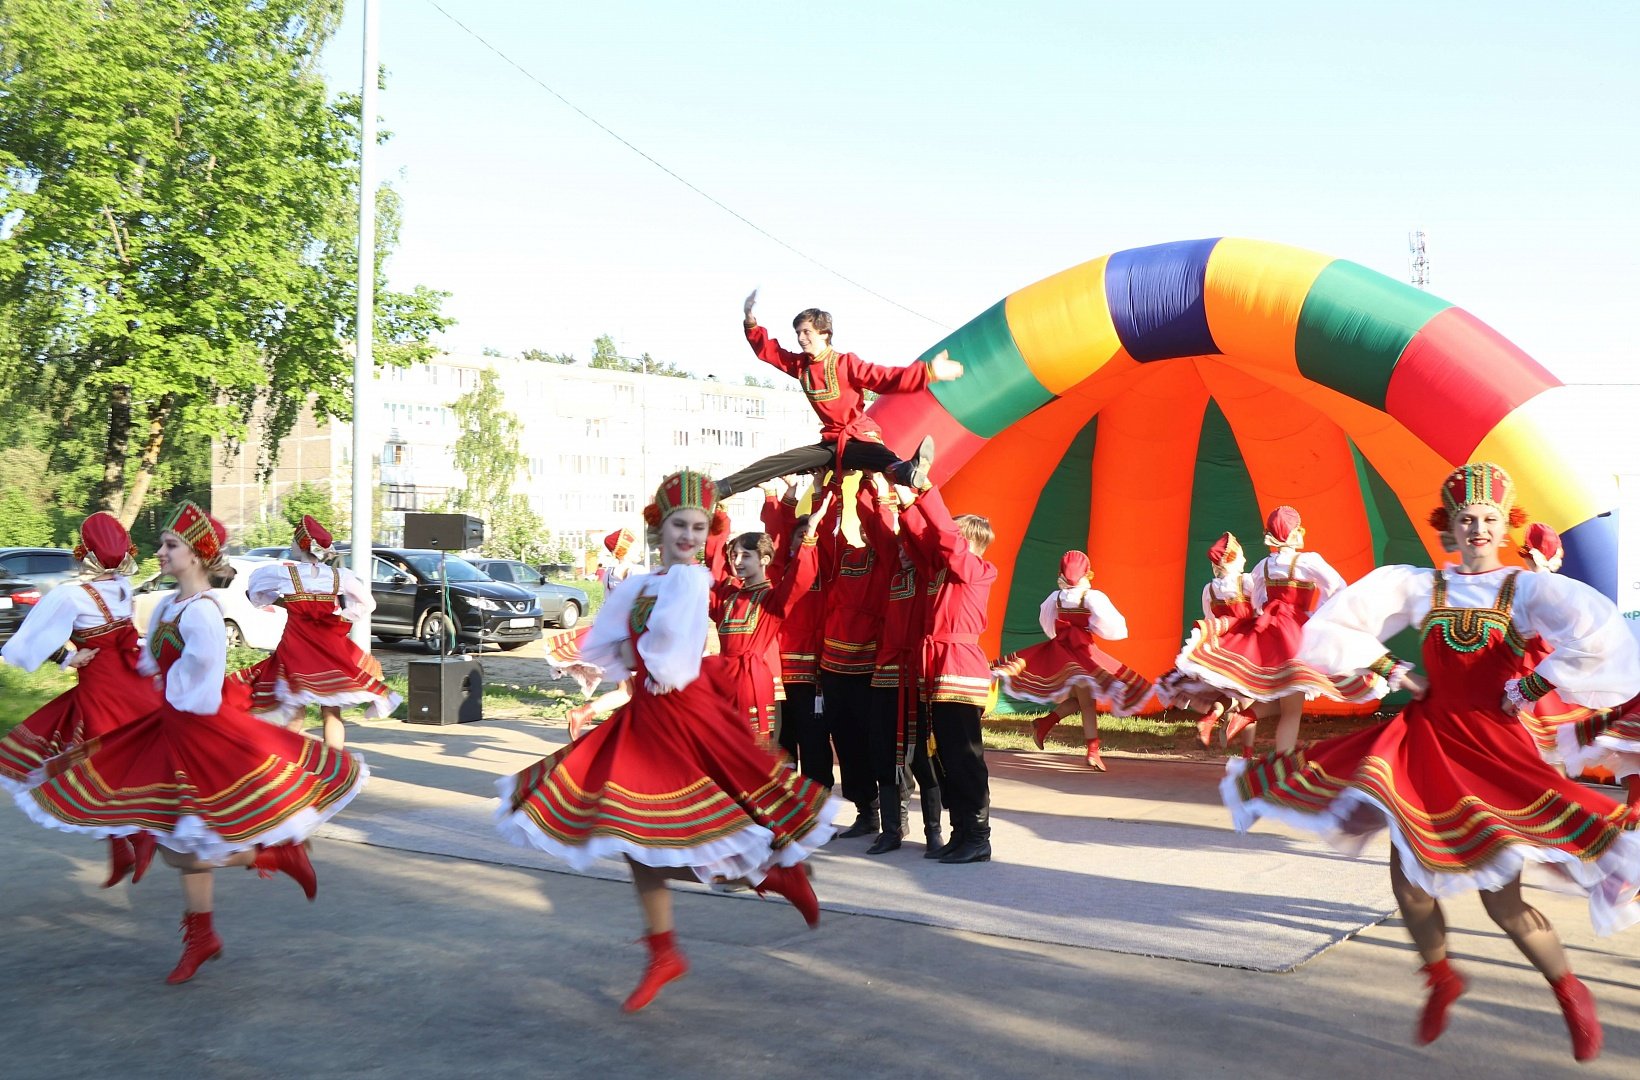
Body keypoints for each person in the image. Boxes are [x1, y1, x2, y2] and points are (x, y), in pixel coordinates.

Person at [1221, 463, 1640, 1062]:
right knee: (1411, 885)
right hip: (1425, 743)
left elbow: (1599, 635)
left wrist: (1530, 686)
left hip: (1494, 751)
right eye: (1467, 519)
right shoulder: (1422, 587)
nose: (1477, 528)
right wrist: (1392, 669)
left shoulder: (1526, 590)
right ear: (1450, 527)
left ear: (1504, 526)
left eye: (1489, 519)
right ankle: (1441, 977)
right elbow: (1338, 622)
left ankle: (1569, 990)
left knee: (1505, 904)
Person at [494, 469, 840, 1013]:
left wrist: (634, 657)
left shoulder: (689, 580)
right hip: (648, 713)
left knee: (660, 832)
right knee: (635, 841)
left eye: (700, 528)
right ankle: (671, 944)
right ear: (660, 526)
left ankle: (760, 873)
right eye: (681, 524)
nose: (690, 536)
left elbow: (672, 660)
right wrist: (612, 661)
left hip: (681, 714)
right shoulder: (640, 584)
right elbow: (611, 642)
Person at [13, 502, 369, 984]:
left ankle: (267, 860)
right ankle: (208, 928)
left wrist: (160, 696)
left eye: (170, 545)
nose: (159, 552)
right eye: (162, 544)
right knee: (179, 841)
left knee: (183, 843)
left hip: (197, 733)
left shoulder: (204, 613)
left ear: (197, 556)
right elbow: (149, 666)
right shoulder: (167, 605)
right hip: (171, 725)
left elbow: (200, 694)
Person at [0, 512, 164, 886]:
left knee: (101, 764)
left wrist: (66, 657)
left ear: (83, 552)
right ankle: (124, 846)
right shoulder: (124, 586)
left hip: (102, 689)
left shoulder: (72, 593)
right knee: (126, 760)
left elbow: (25, 642)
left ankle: (135, 840)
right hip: (133, 682)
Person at [713, 292, 963, 498]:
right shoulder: (801, 365)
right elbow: (769, 352)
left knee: (878, 457)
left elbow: (884, 378)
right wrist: (750, 322)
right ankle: (721, 488)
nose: (800, 338)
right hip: (831, 443)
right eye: (798, 333)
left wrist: (928, 372)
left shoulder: (846, 363)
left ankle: (907, 471)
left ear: (824, 333)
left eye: (806, 332)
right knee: (781, 461)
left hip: (858, 436)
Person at [1171, 506, 1373, 753]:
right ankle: (1267, 745)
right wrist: (1317, 616)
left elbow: (1257, 601)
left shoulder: (1262, 566)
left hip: (1269, 631)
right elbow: (1337, 587)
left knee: (1284, 698)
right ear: (1296, 532)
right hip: (1298, 632)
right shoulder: (1308, 561)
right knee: (1292, 708)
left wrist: (1266, 615)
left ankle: (1247, 718)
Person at [895, 480, 997, 864]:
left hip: (959, 669)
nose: (943, 541)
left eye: (953, 535)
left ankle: (978, 837)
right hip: (938, 669)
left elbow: (945, 539)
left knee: (966, 757)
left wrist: (924, 493)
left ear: (967, 540)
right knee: (946, 758)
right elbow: (922, 541)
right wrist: (906, 506)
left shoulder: (975, 569)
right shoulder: (942, 573)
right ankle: (961, 833)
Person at [240, 515, 400, 750]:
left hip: (296, 645)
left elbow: (254, 591)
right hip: (329, 645)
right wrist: (343, 617)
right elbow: (368, 604)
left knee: (294, 707)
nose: (292, 546)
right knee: (331, 711)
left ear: (302, 545)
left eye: (294, 542)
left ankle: (285, 761)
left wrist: (283, 604)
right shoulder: (339, 576)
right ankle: (335, 767)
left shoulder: (285, 574)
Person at [993, 550, 1150, 771]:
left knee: (1083, 700)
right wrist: (1088, 628)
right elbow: (1112, 625)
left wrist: (1060, 636)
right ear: (1086, 572)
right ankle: (1091, 750)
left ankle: (1046, 725)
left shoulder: (1055, 598)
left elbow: (1046, 623)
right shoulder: (1091, 597)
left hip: (1061, 652)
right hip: (1081, 652)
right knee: (1087, 702)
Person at [712, 493, 827, 745]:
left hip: (755, 684)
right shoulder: (726, 597)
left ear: (764, 560)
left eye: (745, 556)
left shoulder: (772, 599)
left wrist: (810, 536)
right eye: (734, 556)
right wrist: (720, 514)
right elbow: (714, 566)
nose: (737, 562)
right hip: (725, 682)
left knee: (759, 754)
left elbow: (800, 578)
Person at [820, 478, 898, 838]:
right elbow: (822, 536)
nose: (871, 530)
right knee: (846, 741)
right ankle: (866, 811)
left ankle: (893, 814)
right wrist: (833, 488)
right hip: (833, 666)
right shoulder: (846, 556)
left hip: (871, 668)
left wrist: (874, 483)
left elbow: (882, 529)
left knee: (875, 741)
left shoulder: (890, 561)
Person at [865, 504, 943, 854]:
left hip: (918, 680)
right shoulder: (891, 578)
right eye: (899, 547)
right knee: (885, 755)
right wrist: (876, 492)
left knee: (923, 759)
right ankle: (891, 830)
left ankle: (933, 833)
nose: (901, 552)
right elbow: (878, 532)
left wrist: (911, 502)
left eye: (907, 546)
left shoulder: (931, 576)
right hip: (885, 677)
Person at [1151, 532, 1261, 755]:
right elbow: (1260, 610)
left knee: (1233, 696)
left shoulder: (1209, 590)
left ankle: (1211, 718)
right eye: (1241, 556)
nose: (1245, 560)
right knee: (1249, 699)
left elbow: (1210, 621)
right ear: (1232, 559)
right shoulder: (1247, 582)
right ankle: (1247, 755)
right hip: (1247, 648)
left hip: (1223, 647)